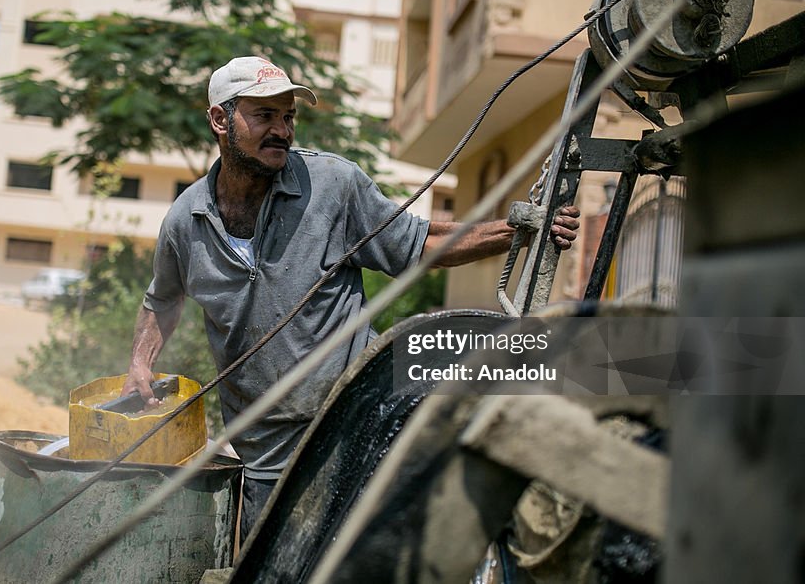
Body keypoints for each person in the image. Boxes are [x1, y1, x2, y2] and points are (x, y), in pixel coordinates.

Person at [121, 56, 580, 541]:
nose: (282, 129)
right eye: (264, 116)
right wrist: (140, 363)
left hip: (354, 419)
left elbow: (418, 243)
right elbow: (163, 299)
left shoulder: (333, 186)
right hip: (264, 446)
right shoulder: (184, 221)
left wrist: (516, 231)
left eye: (288, 116)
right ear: (219, 120)